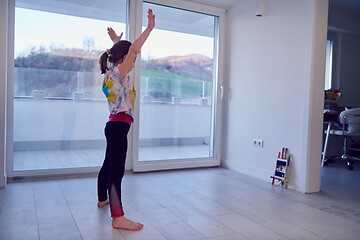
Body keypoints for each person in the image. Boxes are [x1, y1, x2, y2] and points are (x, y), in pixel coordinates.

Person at [97, 9, 155, 231]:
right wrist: (149, 28)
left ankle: (103, 198)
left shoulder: (111, 72)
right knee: (116, 171)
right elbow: (133, 50)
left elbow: (120, 54)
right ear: (123, 58)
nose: (134, 61)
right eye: (132, 58)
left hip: (113, 125)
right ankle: (118, 216)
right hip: (118, 126)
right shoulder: (119, 72)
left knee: (108, 165)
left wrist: (115, 42)